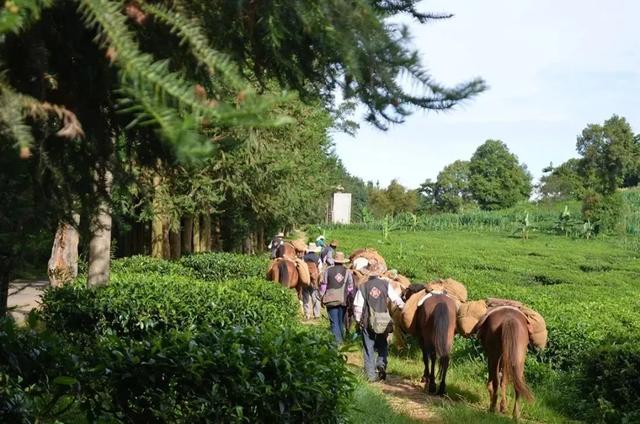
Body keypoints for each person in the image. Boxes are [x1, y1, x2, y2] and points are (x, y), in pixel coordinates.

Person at [354, 269, 405, 382]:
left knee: (368, 347)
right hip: (384, 321)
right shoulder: (386, 285)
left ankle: (371, 375)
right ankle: (381, 364)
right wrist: (403, 307)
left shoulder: (363, 286)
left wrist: (358, 321)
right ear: (379, 274)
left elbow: (358, 306)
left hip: (368, 322)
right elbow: (396, 300)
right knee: (383, 344)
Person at [320, 251, 354, 344]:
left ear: (334, 261)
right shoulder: (347, 272)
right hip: (343, 299)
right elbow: (351, 287)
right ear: (343, 262)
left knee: (334, 322)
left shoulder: (328, 270)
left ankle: (337, 342)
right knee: (340, 321)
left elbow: (324, 285)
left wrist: (321, 297)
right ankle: (341, 340)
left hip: (331, 299)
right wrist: (350, 298)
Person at [302, 243, 322, 320]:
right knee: (315, 296)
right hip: (314, 279)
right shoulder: (318, 258)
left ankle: (307, 314)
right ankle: (316, 314)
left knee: (305, 296)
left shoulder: (304, 257)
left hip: (306, 279)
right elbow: (320, 269)